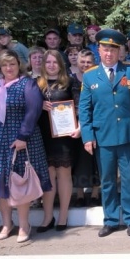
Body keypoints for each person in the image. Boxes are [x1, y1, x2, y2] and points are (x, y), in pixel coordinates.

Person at [80, 29, 130, 237]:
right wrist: (88, 136)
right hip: (104, 136)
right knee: (107, 180)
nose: (109, 53)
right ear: (98, 50)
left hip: (127, 134)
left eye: (113, 49)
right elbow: (84, 109)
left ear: (120, 52)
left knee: (129, 179)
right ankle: (110, 219)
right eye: (105, 49)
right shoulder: (90, 75)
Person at [0, 50, 52, 243]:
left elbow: (33, 111)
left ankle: (24, 224)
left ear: (19, 65)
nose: (9, 68)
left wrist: (23, 136)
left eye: (12, 64)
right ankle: (7, 224)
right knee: (1, 183)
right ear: (0, 67)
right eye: (5, 65)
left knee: (20, 183)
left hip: (21, 140)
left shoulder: (27, 84)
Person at [36, 50, 81, 232]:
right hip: (43, 135)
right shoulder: (35, 84)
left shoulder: (70, 82)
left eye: (55, 62)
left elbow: (79, 106)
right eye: (48, 62)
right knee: (47, 177)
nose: (52, 66)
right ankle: (48, 217)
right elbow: (27, 107)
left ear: (61, 65)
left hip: (64, 136)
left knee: (63, 175)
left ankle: (63, 216)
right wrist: (39, 105)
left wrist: (80, 127)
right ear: (43, 65)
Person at [72, 49, 101, 206]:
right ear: (77, 62)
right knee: (79, 159)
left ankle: (95, 192)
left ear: (94, 63)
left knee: (94, 159)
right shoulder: (71, 80)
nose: (85, 65)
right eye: (82, 62)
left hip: (94, 122)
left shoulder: (98, 78)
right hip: (73, 124)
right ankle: (80, 193)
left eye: (88, 62)